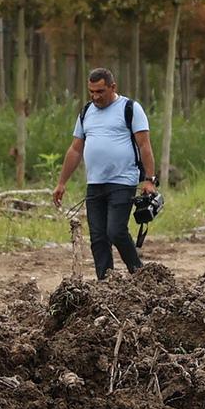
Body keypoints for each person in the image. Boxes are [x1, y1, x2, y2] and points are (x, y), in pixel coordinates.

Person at [53, 68, 157, 280]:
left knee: (116, 231)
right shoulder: (86, 112)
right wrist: (61, 182)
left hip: (123, 181)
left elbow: (144, 145)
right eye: (91, 91)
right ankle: (106, 281)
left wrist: (149, 179)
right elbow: (75, 150)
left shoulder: (130, 108)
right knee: (98, 238)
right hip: (95, 183)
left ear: (112, 87)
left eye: (100, 91)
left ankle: (140, 275)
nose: (95, 96)